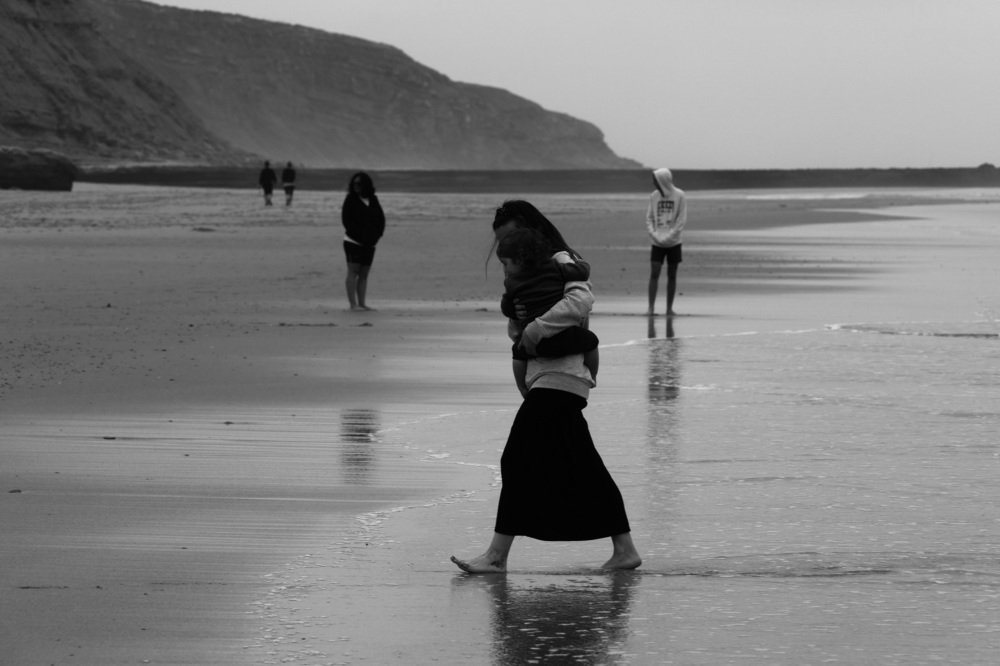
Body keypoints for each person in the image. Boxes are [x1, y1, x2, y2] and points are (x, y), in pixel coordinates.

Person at [450, 201, 641, 573]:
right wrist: (521, 326)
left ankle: (496, 556)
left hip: (564, 371)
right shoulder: (524, 274)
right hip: (547, 375)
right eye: (502, 242)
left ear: (530, 232)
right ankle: (624, 550)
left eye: (510, 238)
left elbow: (581, 302)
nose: (506, 247)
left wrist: (536, 328)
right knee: (582, 464)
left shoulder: (562, 259)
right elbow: (517, 325)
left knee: (518, 458)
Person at [496, 226, 600, 392]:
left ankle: (523, 387)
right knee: (591, 341)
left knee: (518, 352)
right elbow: (580, 272)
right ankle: (592, 376)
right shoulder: (556, 267)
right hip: (563, 333)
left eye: (505, 263)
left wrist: (512, 310)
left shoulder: (512, 282)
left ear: (520, 260)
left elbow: (507, 306)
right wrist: (579, 264)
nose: (505, 270)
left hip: (535, 344)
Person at [341, 172, 385, 311]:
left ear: (365, 185)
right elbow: (346, 221)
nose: (356, 187)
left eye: (359, 184)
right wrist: (360, 237)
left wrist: (377, 236)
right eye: (354, 184)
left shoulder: (374, 200)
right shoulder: (350, 200)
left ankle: (362, 303)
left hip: (370, 243)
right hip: (353, 241)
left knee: (364, 274)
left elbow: (381, 220)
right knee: (353, 272)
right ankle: (353, 304)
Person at [646, 167, 687, 316]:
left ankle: (669, 308)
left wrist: (669, 236)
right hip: (657, 242)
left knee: (672, 274)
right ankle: (651, 308)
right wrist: (655, 235)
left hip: (674, 242)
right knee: (654, 273)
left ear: (662, 180)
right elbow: (649, 218)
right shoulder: (653, 196)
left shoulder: (680, 195)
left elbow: (681, 221)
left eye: (655, 180)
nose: (654, 183)